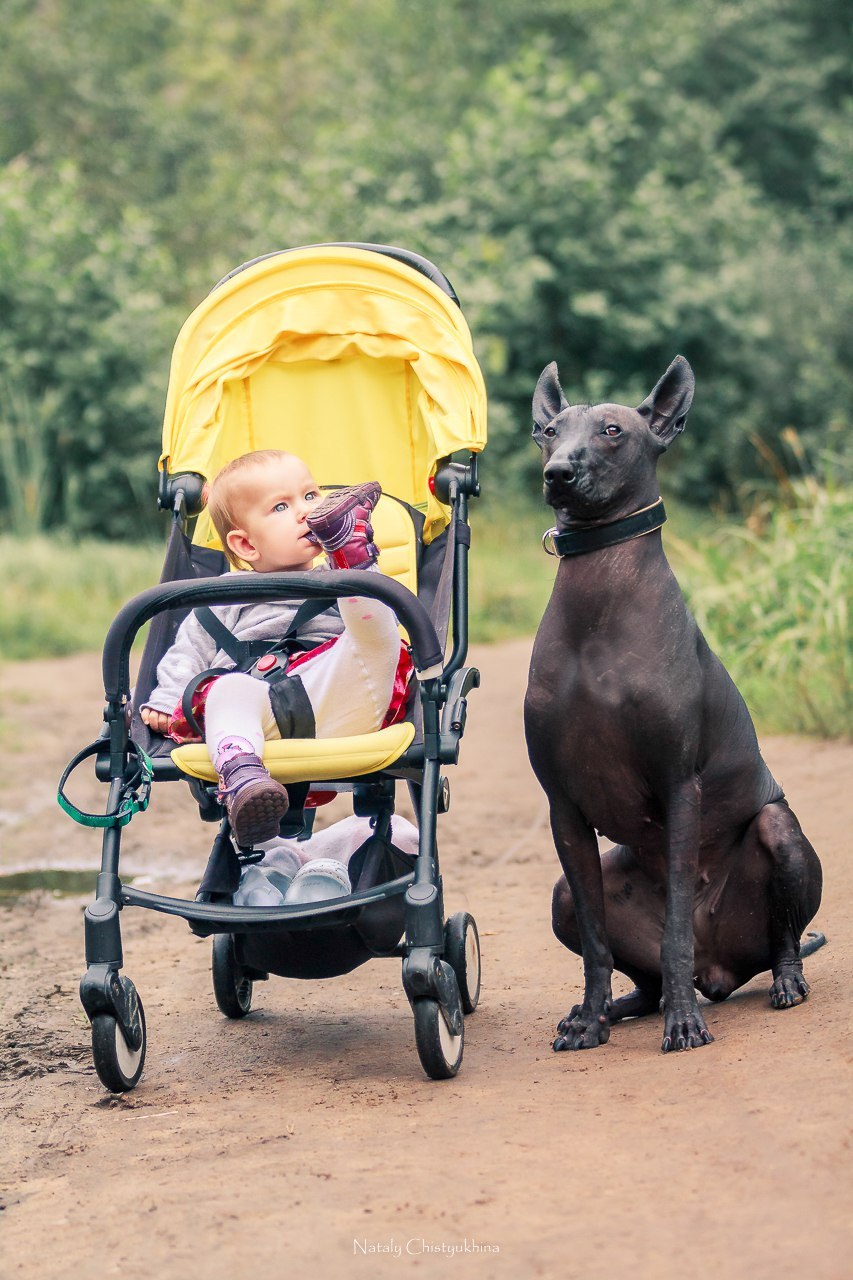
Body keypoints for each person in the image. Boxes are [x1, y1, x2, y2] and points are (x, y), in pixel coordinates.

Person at [140, 450, 408, 853]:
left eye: (312, 496)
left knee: (373, 626)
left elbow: (378, 641)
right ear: (245, 544)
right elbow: (188, 653)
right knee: (228, 690)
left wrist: (349, 578)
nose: (305, 512)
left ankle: (351, 551)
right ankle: (243, 776)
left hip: (338, 694)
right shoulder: (222, 597)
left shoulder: (337, 583)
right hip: (260, 712)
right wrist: (164, 698)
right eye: (282, 506)